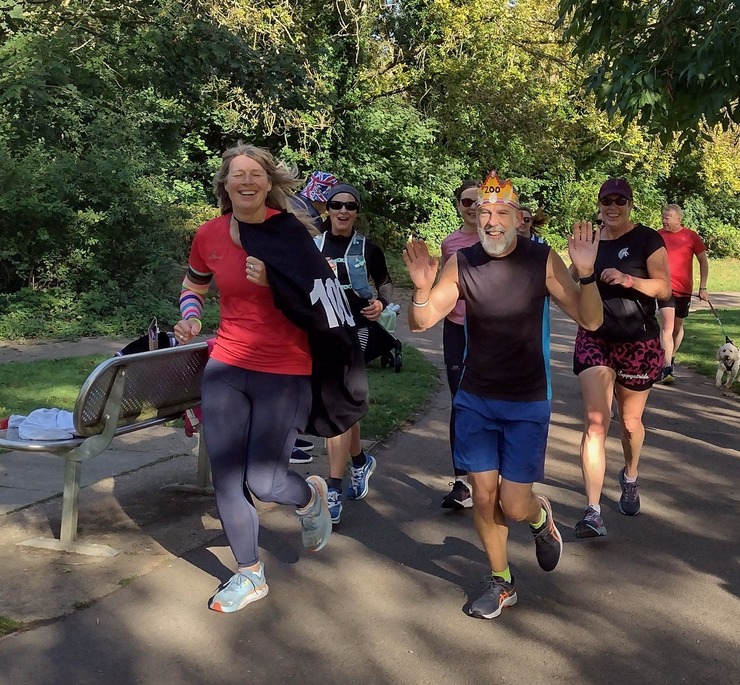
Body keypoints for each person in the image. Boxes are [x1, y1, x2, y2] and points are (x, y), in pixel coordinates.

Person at [403, 170, 603, 619]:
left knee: (514, 504)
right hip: (475, 397)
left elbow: (590, 321)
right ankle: (502, 581)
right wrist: (420, 290)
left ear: (518, 217)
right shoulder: (463, 262)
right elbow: (422, 322)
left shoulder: (541, 259)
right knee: (483, 492)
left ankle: (538, 517)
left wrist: (586, 274)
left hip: (527, 398)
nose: (490, 220)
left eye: (500, 212)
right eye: (482, 212)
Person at [174, 144, 341, 613]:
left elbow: (320, 295)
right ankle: (249, 574)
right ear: (225, 185)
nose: (246, 181)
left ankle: (308, 496)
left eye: (255, 174)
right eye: (236, 174)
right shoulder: (207, 234)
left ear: (269, 184)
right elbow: (194, 285)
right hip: (227, 365)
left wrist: (275, 281)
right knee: (227, 477)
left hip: (284, 369)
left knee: (264, 481)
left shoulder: (287, 234)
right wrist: (189, 317)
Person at [572, 178, 670, 539]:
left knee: (629, 424)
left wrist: (629, 281)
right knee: (596, 423)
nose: (612, 207)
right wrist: (578, 271)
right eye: (606, 201)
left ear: (630, 204)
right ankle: (593, 511)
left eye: (620, 201)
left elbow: (664, 286)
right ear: (598, 204)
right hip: (595, 337)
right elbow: (570, 285)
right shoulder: (590, 241)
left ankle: (629, 476)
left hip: (637, 340)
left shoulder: (647, 239)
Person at [313, 183, 392, 524]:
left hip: (358, 330)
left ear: (357, 211)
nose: (343, 211)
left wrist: (382, 303)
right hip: (323, 330)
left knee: (338, 402)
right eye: (336, 205)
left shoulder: (368, 248)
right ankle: (359, 461)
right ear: (327, 209)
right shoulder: (312, 245)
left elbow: (385, 282)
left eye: (349, 205)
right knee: (342, 405)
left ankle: (332, 489)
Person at [439, 180, 480, 510]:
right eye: (466, 201)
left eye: (477, 201)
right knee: (460, 401)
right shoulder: (450, 242)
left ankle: (489, 474)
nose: (471, 206)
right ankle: (462, 482)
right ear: (458, 204)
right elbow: (444, 285)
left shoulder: (496, 238)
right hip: (455, 328)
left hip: (491, 330)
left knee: (489, 398)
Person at [656, 203, 710, 384]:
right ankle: (666, 368)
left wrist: (703, 287)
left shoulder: (690, 236)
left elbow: (703, 260)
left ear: (679, 219)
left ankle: (670, 357)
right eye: (663, 217)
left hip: (684, 290)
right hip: (664, 289)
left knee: (677, 328)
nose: (664, 220)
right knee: (667, 327)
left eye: (667, 217)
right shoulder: (657, 236)